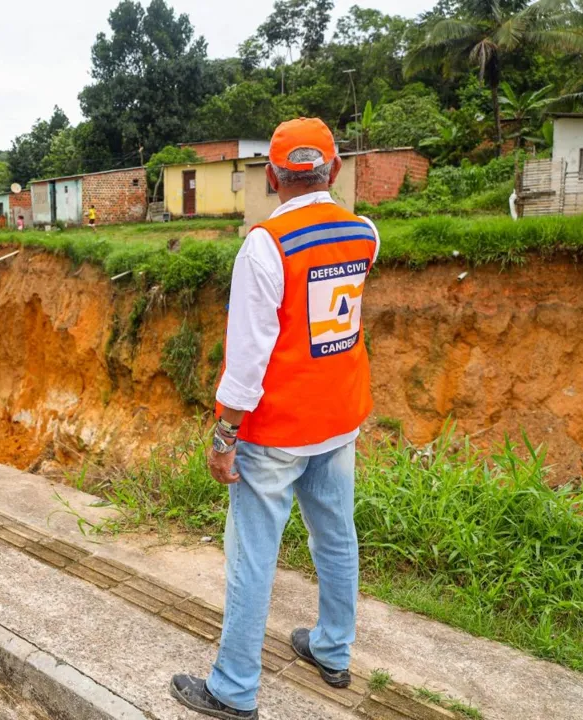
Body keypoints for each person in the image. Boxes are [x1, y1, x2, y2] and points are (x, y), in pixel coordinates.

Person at [170, 118, 381, 720]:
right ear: (334, 170)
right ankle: (333, 650)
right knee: (336, 536)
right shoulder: (365, 233)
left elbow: (247, 359)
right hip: (339, 421)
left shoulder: (266, 244)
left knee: (253, 554)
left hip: (277, 430)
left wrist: (224, 435)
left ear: (271, 175)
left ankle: (234, 688)